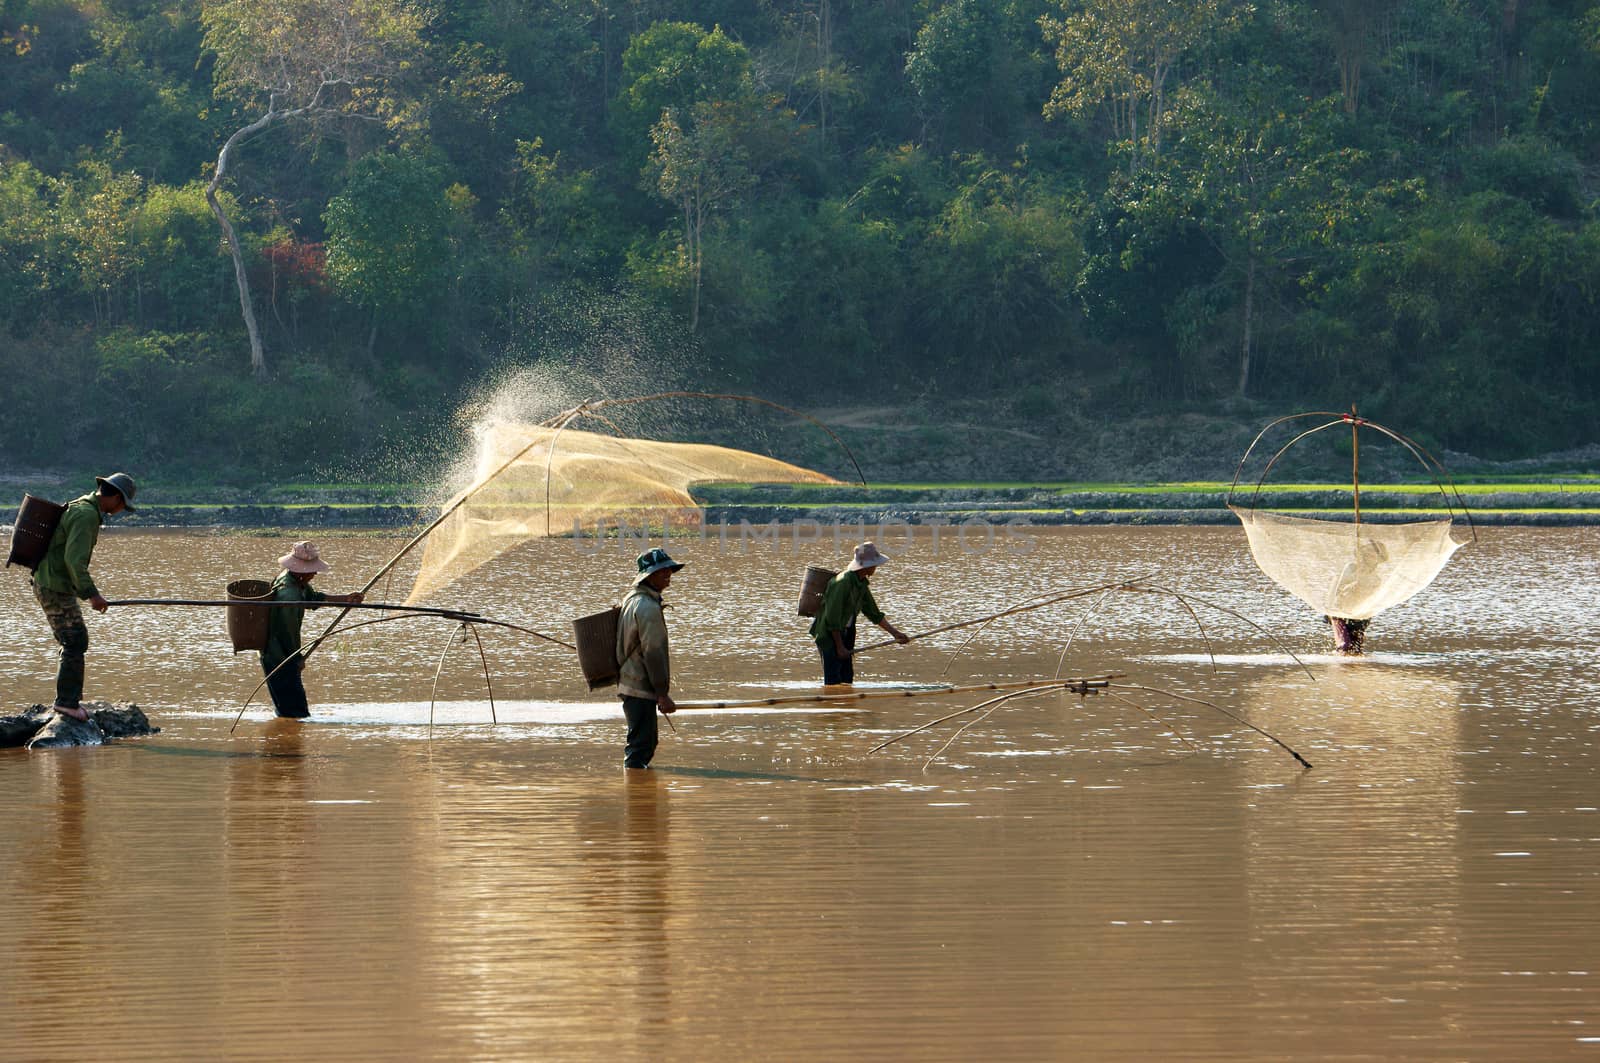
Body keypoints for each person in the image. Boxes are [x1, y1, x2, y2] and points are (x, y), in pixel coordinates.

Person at [31, 472, 138, 721]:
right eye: (123, 505)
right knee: (75, 640)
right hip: (54, 586)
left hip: (51, 582)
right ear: (114, 498)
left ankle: (66, 701)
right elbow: (74, 562)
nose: (122, 510)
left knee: (72, 640)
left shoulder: (82, 506)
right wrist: (93, 596)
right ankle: (67, 704)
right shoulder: (86, 515)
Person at [260, 541, 363, 719]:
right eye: (311, 570)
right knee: (295, 712)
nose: (314, 573)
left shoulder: (294, 580)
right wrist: (297, 659)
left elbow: (313, 598)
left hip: (278, 653)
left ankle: (286, 740)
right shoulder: (289, 595)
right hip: (279, 657)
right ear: (301, 571)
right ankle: (288, 744)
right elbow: (288, 633)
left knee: (290, 711)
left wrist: (345, 599)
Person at [615, 547, 683, 769]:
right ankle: (633, 793)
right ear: (648, 576)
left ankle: (637, 788)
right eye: (662, 570)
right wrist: (662, 694)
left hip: (630, 681)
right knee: (641, 745)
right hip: (639, 684)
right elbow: (653, 653)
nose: (668, 574)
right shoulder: (647, 607)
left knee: (645, 741)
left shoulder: (632, 599)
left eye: (669, 570)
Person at [809, 541, 909, 686]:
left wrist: (895, 633)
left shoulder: (861, 583)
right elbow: (832, 617)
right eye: (874, 564)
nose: (876, 567)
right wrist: (839, 646)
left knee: (847, 678)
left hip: (847, 633)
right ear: (866, 565)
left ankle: (844, 705)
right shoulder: (841, 583)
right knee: (833, 680)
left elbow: (874, 613)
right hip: (830, 635)